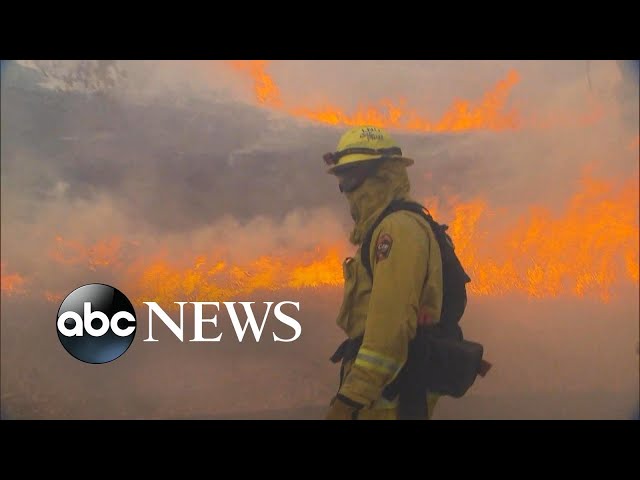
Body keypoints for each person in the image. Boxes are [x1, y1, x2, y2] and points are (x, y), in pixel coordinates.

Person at [323, 125, 444, 420]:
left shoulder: (396, 230)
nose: (346, 190)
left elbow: (389, 330)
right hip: (383, 395)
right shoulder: (387, 227)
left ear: (383, 174)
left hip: (390, 398)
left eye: (351, 177)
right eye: (341, 179)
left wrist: (350, 398)